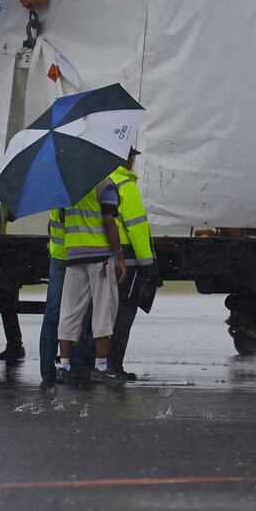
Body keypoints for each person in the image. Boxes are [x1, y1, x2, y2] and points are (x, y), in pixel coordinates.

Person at [55, 173, 125, 383]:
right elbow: (108, 220)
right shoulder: (105, 184)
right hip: (100, 257)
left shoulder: (68, 183)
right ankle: (101, 367)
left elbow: (61, 216)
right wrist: (119, 254)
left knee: (69, 310)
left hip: (74, 254)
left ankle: (64, 366)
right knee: (103, 310)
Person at [103, 150, 157, 380]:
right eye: (131, 156)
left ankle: (97, 363)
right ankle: (114, 366)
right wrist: (148, 266)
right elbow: (136, 228)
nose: (133, 160)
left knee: (103, 314)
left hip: (104, 255)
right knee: (124, 315)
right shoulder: (126, 184)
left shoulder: (102, 181)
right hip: (129, 260)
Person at [38, 209, 95, 384]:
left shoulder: (57, 185)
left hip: (59, 254)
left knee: (53, 311)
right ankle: (79, 367)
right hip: (78, 252)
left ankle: (48, 369)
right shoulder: (80, 186)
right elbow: (65, 217)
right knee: (80, 310)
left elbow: (54, 222)